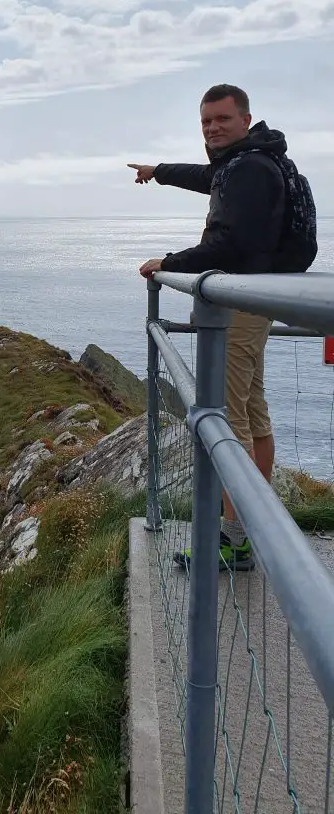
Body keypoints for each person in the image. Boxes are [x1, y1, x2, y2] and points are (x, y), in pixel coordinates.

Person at [129, 83, 317, 571]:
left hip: (238, 309)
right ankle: (251, 525)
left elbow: (229, 245)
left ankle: (232, 539)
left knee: (228, 421)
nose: (212, 128)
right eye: (206, 122)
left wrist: (168, 263)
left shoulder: (250, 168)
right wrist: (159, 172)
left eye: (222, 120)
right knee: (252, 414)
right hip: (252, 304)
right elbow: (206, 176)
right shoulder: (246, 160)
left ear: (246, 118)